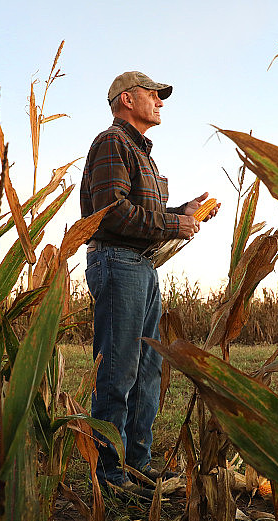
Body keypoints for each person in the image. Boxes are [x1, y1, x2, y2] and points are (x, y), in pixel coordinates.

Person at [80, 71, 219, 498]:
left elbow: (142, 211)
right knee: (119, 370)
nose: (161, 101)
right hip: (117, 263)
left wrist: (185, 210)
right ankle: (109, 475)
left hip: (141, 266)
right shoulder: (112, 143)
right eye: (153, 95)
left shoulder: (140, 152)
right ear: (126, 99)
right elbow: (113, 214)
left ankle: (136, 465)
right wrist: (178, 223)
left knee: (147, 370)